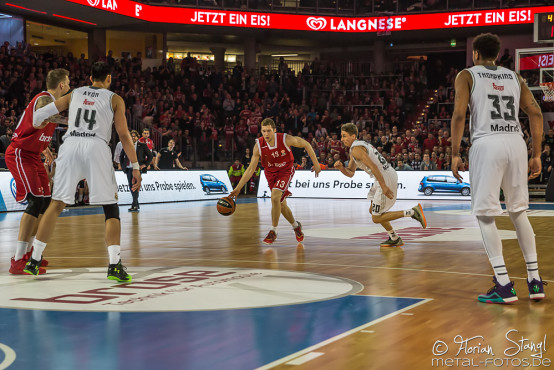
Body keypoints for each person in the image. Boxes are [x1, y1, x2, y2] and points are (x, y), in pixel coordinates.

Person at [25, 62, 141, 282]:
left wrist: (52, 121)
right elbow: (124, 135)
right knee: (110, 207)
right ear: (108, 78)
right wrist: (135, 166)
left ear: (90, 78)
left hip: (70, 146)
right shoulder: (115, 98)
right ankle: (114, 265)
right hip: (96, 147)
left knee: (56, 204)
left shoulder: (75, 93)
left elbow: (40, 115)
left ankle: (34, 259)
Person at [451, 33, 545, 303]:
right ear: (498, 53)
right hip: (516, 142)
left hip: (487, 143)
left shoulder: (467, 75)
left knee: (485, 215)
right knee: (518, 212)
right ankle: (535, 281)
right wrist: (536, 154)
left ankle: (503, 285)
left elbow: (459, 114)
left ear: (476, 54)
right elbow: (536, 113)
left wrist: (455, 153)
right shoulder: (515, 77)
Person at [5, 68, 70, 274]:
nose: (69, 86)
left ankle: (31, 254)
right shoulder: (44, 99)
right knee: (34, 201)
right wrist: (73, 122)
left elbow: (39, 128)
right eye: (67, 82)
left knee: (44, 203)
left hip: (33, 155)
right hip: (20, 153)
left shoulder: (51, 105)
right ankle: (17, 259)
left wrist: (46, 149)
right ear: (61, 85)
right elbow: (39, 119)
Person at [229, 118, 321, 245]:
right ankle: (296, 226)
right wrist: (238, 188)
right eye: (263, 131)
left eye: (269, 131)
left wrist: (316, 164)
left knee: (274, 197)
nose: (266, 134)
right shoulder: (258, 145)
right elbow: (250, 169)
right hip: (270, 174)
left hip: (285, 170)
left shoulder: (285, 139)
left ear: (275, 131)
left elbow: (306, 144)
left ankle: (274, 230)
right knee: (281, 204)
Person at [335, 123, 427, 247]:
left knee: (376, 217)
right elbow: (351, 173)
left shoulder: (356, 149)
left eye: (344, 136)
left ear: (353, 136)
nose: (342, 139)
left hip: (384, 177)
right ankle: (394, 238)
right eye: (341, 136)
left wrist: (383, 186)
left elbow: (373, 166)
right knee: (372, 210)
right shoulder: (356, 148)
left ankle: (412, 212)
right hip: (381, 176)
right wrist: (341, 168)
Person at [121, 130, 153, 212]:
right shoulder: (126, 145)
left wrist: (145, 165)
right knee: (131, 186)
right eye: (131, 136)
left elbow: (150, 156)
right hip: (128, 168)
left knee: (135, 186)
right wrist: (123, 166)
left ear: (138, 137)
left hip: (137, 169)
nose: (133, 137)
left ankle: (134, 205)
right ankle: (136, 204)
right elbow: (121, 156)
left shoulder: (142, 145)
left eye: (134, 136)